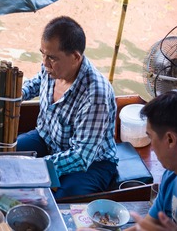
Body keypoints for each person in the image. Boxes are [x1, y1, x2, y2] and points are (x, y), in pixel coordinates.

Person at [16, 16, 118, 199]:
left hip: (92, 163)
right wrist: (19, 94)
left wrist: (37, 166)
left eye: (52, 58)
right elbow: (38, 81)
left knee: (59, 201)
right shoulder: (52, 68)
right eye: (43, 54)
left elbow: (81, 156)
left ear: (76, 57)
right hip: (48, 140)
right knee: (6, 156)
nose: (45, 63)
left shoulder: (96, 95)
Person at [126, 90, 177, 231]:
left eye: (150, 137)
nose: (152, 148)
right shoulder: (170, 176)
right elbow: (147, 227)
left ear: (170, 139)